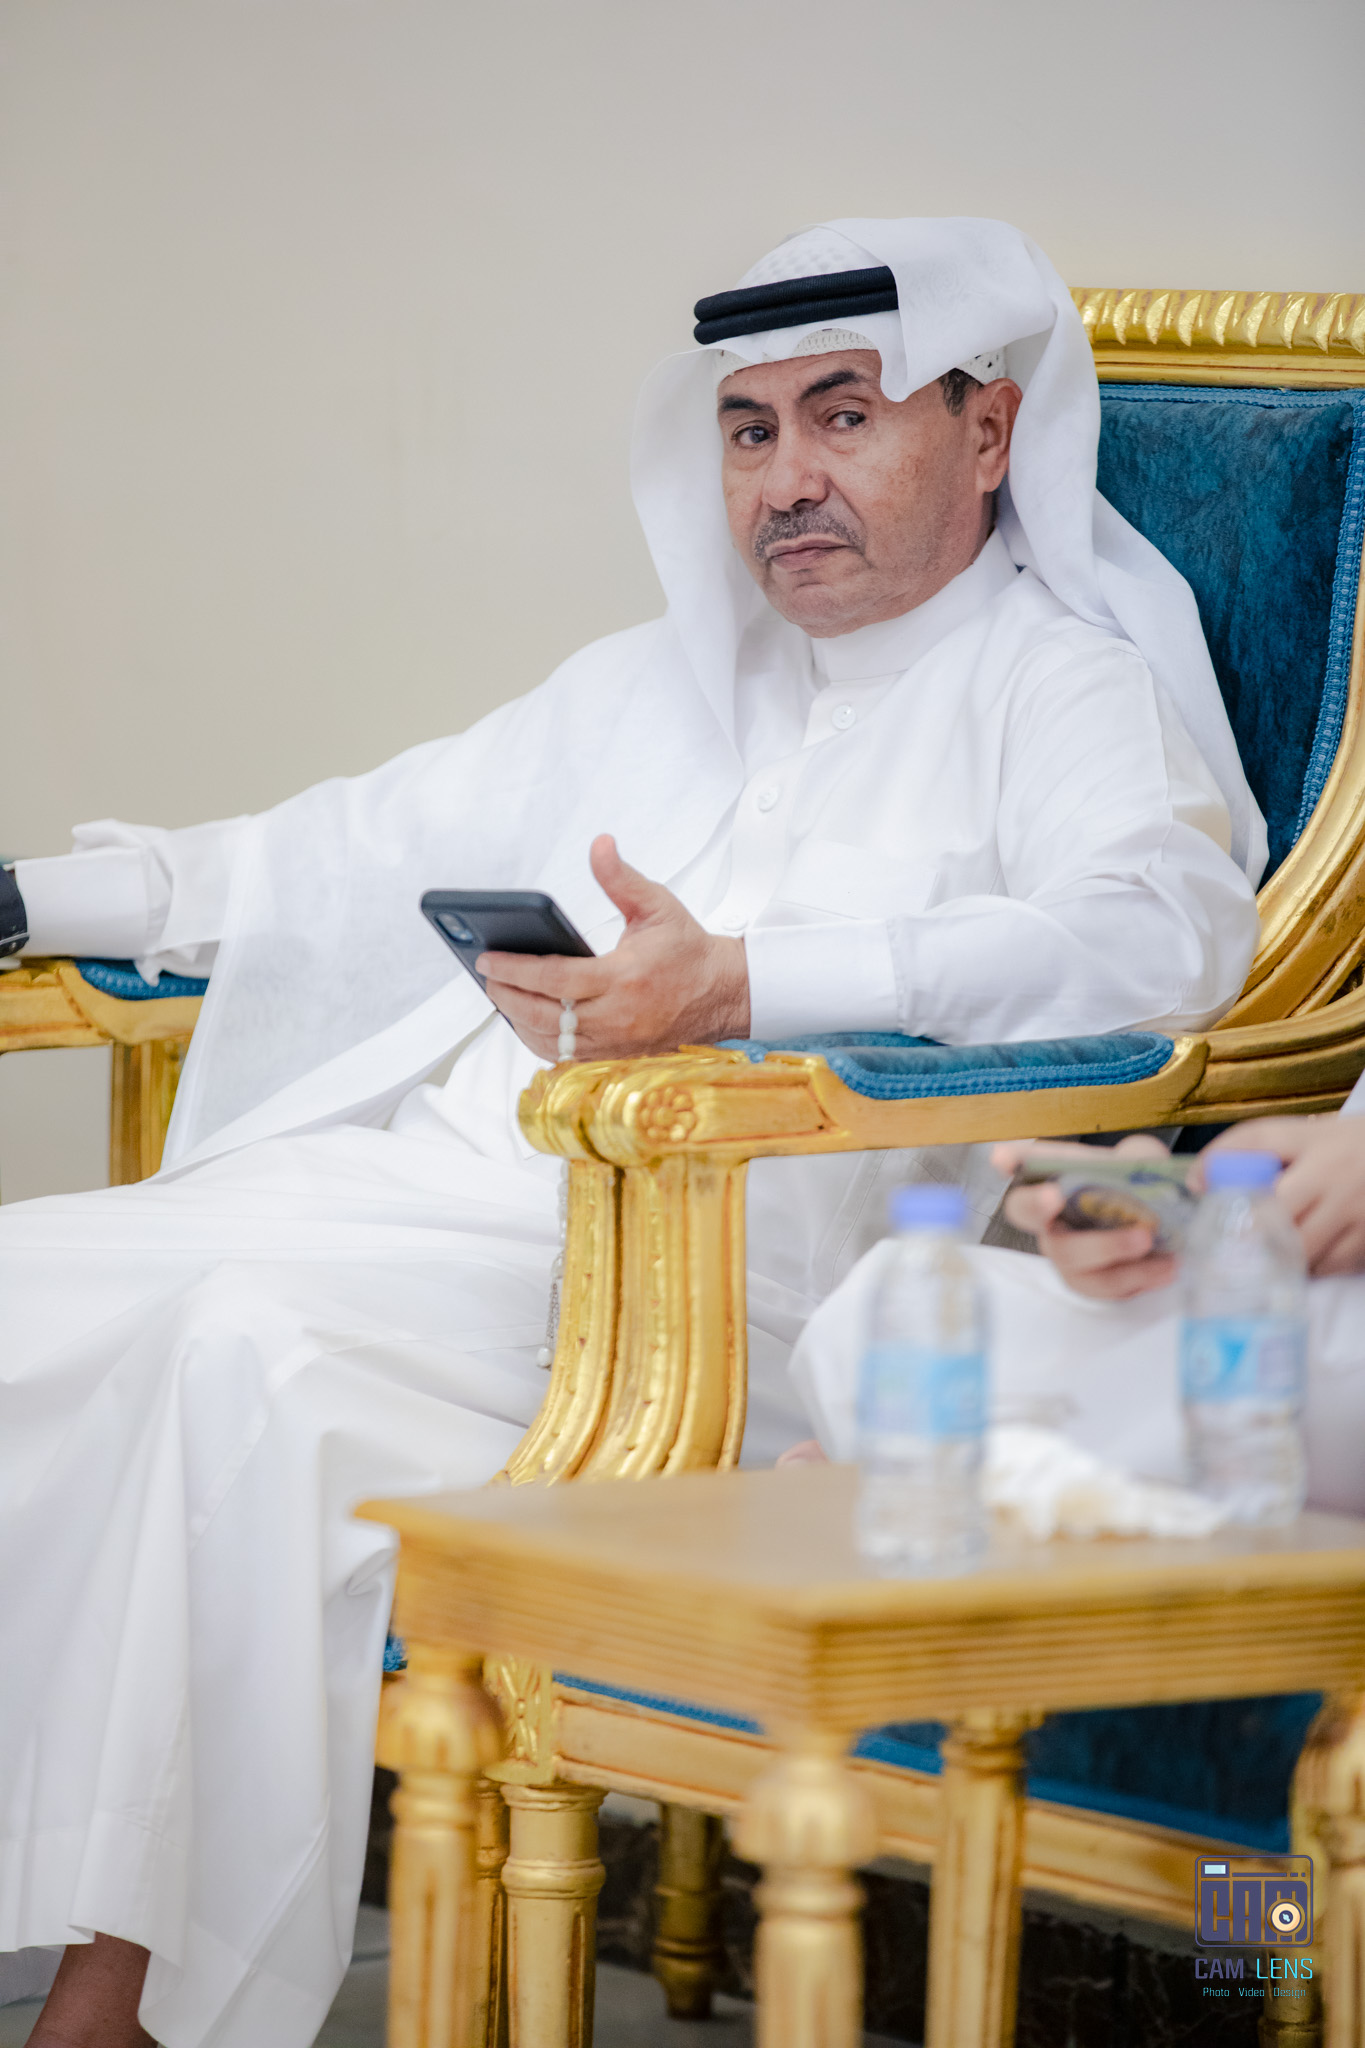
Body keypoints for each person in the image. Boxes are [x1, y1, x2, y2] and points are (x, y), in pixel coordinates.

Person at [0, 216, 1261, 2048]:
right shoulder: (655, 682)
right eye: (750, 430)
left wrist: (739, 984)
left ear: (988, 433)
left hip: (686, 1297)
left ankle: (109, 2008)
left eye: (844, 415)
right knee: (24, 1285)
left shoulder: (1056, 684)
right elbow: (334, 851)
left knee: (240, 1353)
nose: (786, 478)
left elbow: (1154, 934)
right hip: (415, 1208)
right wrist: (29, 895)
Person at [788, 1082, 1365, 1513]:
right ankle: (930, 1470)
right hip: (1291, 1286)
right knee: (875, 1319)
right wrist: (1159, 1218)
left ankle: (916, 1474)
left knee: (906, 1379)